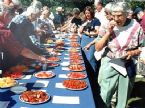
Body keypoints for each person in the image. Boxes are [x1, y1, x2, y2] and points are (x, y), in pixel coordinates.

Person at [95, 2, 145, 108]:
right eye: (113, 15)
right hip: (109, 64)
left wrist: (132, 52)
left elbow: (142, 47)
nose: (116, 18)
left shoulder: (136, 26)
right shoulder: (106, 24)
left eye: (119, 15)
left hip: (128, 64)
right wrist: (108, 32)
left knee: (123, 98)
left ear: (127, 14)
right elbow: (98, 47)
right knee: (104, 96)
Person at [0, 4, 47, 70]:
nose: (10, 22)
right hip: (11, 55)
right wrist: (40, 57)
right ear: (6, 15)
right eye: (10, 18)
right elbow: (22, 51)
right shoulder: (4, 31)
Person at [79, 6, 100, 74]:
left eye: (88, 13)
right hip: (84, 40)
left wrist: (89, 33)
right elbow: (80, 30)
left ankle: (93, 74)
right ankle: (85, 73)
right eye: (86, 13)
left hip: (91, 40)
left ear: (91, 13)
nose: (87, 14)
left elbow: (97, 32)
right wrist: (83, 25)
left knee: (91, 58)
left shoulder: (96, 20)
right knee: (83, 58)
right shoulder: (84, 21)